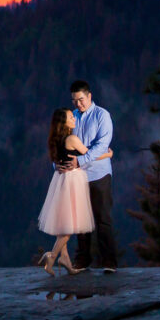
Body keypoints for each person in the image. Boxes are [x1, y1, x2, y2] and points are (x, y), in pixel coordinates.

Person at [36, 108, 111, 275]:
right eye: (71, 117)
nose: (74, 120)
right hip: (72, 181)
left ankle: (65, 260)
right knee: (70, 228)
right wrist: (108, 155)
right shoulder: (72, 138)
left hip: (62, 180)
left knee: (65, 223)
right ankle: (52, 256)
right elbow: (89, 154)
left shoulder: (57, 139)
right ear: (64, 122)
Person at [57, 79, 118, 273]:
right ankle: (82, 260)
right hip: (77, 176)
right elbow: (61, 143)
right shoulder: (72, 117)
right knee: (81, 221)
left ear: (89, 96)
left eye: (81, 99)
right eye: (74, 100)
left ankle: (109, 262)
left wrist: (81, 161)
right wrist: (57, 163)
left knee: (103, 219)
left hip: (99, 174)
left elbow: (102, 144)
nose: (78, 104)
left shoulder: (102, 116)